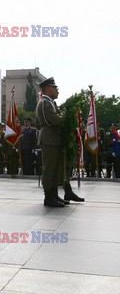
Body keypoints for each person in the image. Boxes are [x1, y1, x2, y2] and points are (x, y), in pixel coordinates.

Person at [35, 77, 84, 207]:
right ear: (47, 89)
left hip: (54, 140)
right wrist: (67, 117)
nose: (57, 90)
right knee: (49, 169)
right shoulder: (45, 102)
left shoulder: (50, 103)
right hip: (49, 139)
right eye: (54, 88)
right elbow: (53, 120)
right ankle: (49, 197)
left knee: (56, 169)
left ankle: (54, 195)